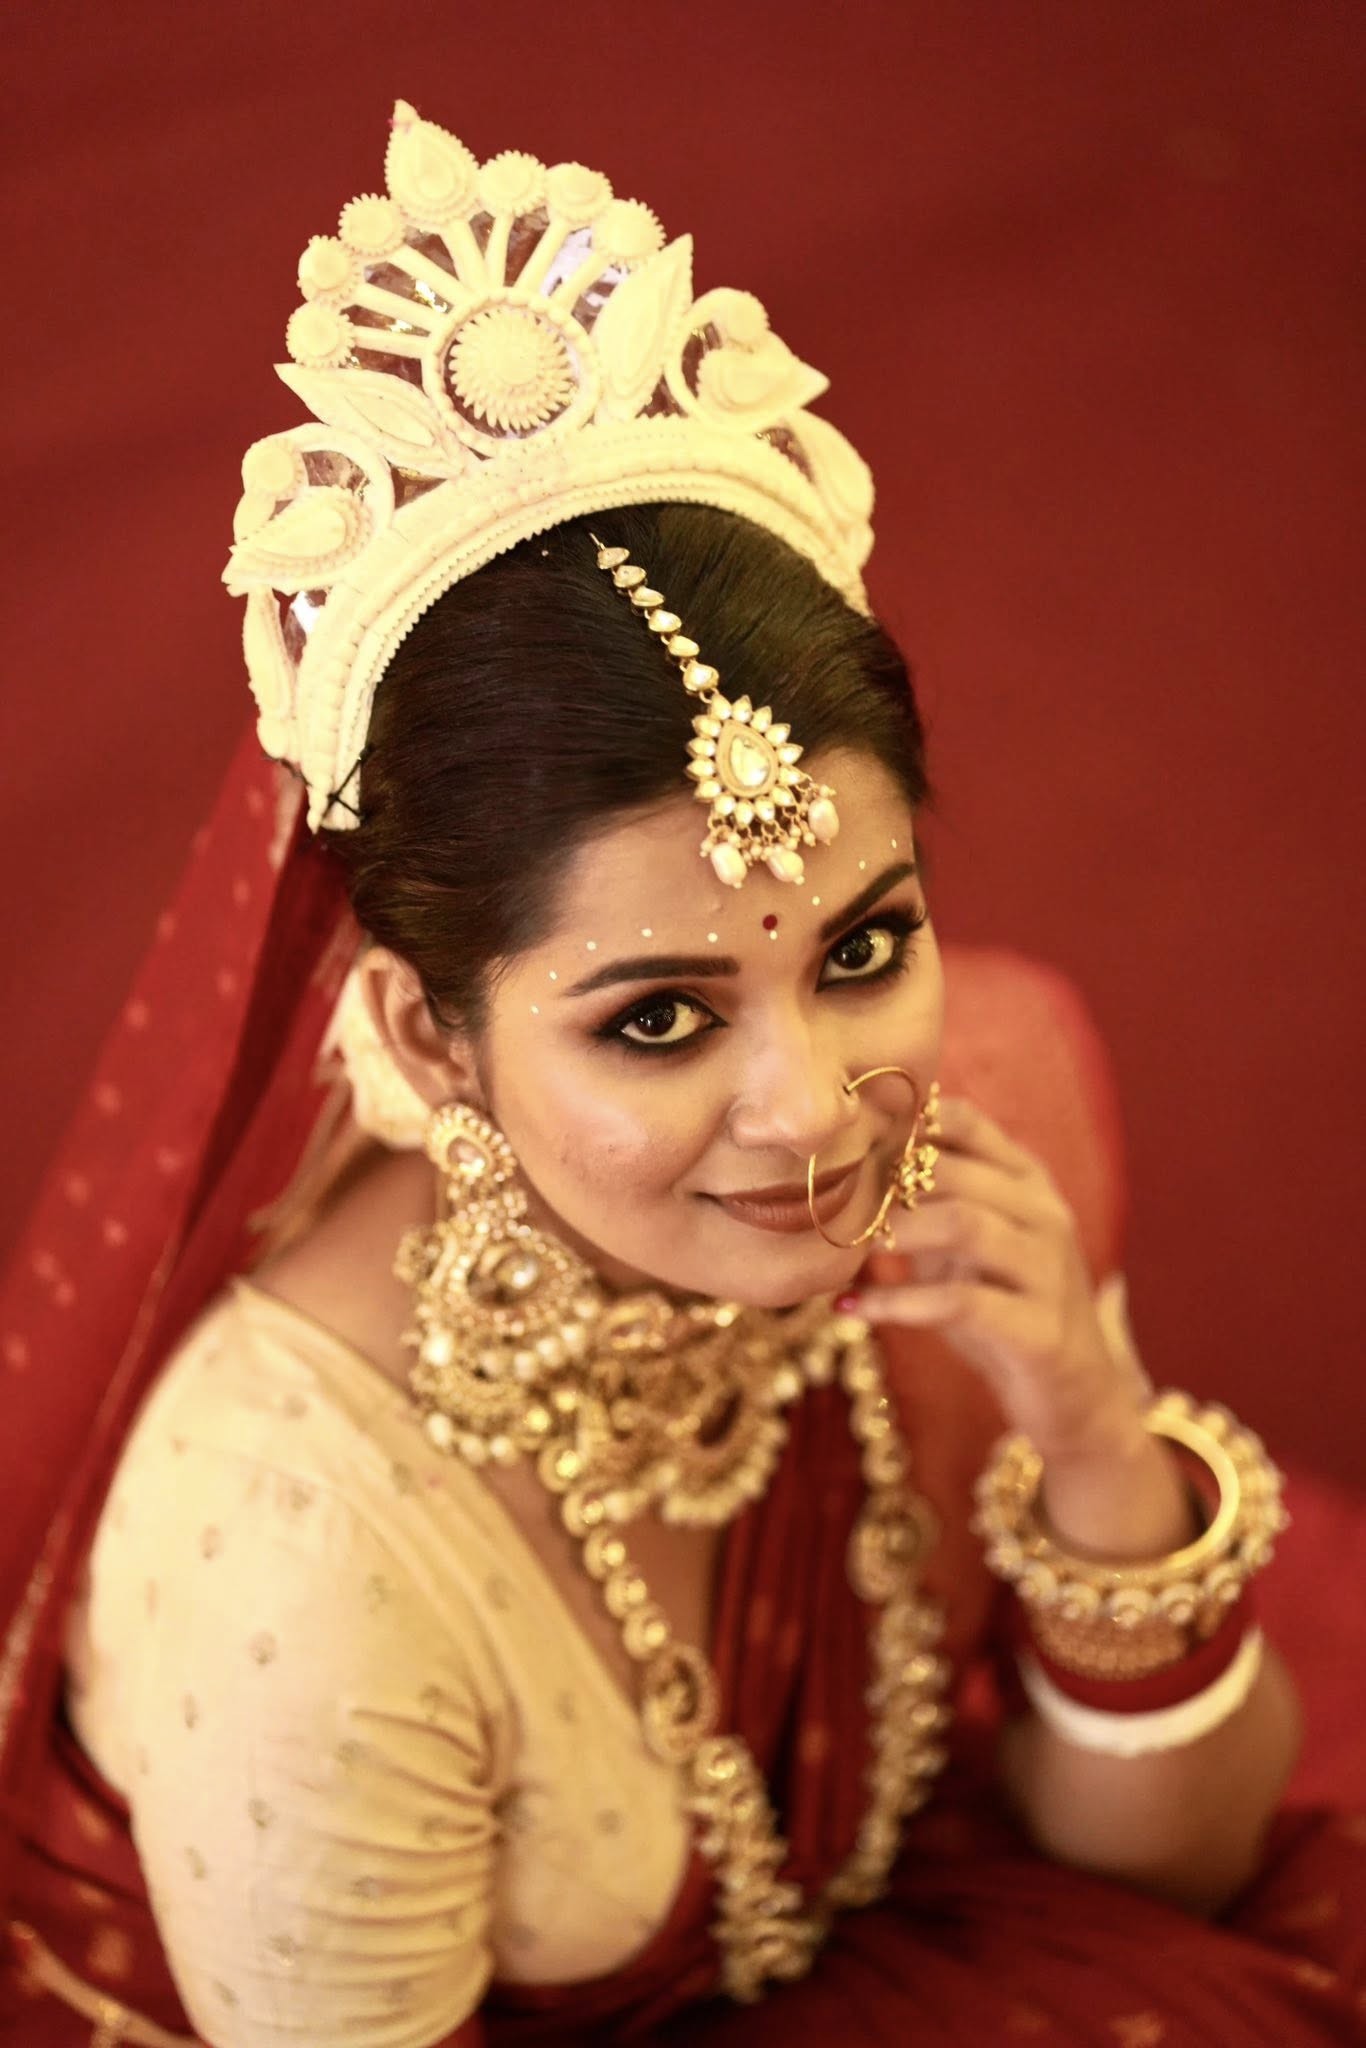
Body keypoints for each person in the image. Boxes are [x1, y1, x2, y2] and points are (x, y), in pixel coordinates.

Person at [1, 98, 1360, 2048]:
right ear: (421, 1035)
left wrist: (1086, 1431)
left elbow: (1160, 1877)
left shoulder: (980, 1128)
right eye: (655, 1016)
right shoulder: (299, 1544)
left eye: (861, 949)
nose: (813, 1111)